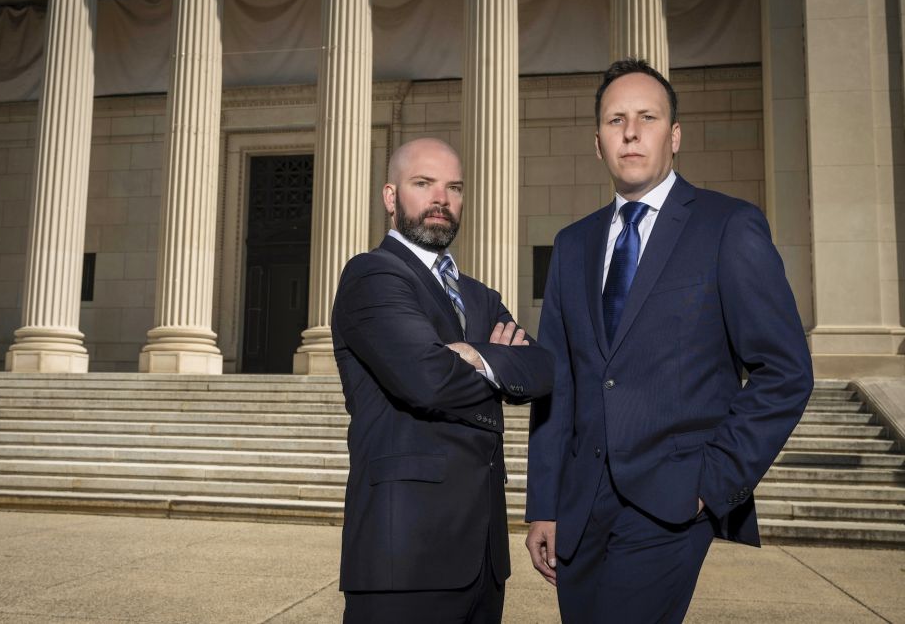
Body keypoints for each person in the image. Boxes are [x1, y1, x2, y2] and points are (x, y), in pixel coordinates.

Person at [524, 58, 813, 623]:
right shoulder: (572, 244)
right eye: (615, 120)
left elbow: (785, 371)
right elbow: (558, 385)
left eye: (647, 117)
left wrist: (712, 482)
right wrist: (545, 503)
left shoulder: (727, 226)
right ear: (598, 141)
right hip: (580, 509)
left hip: (671, 501)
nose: (630, 131)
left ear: (674, 136)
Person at [332, 137, 554, 623]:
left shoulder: (480, 296)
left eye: (453, 187)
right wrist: (499, 363)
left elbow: (543, 370)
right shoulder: (372, 276)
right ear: (391, 197)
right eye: (423, 183)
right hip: (405, 559)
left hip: (483, 562)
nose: (441, 199)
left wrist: (474, 354)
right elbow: (428, 380)